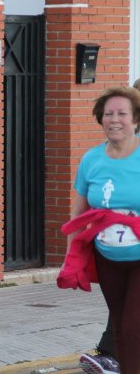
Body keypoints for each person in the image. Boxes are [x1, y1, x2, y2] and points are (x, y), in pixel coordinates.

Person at [58, 86, 140, 374]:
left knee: (132, 330)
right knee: (120, 330)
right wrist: (72, 260)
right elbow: (78, 215)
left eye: (122, 113)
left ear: (136, 120)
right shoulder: (91, 160)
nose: (114, 119)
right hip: (108, 259)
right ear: (100, 119)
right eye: (108, 113)